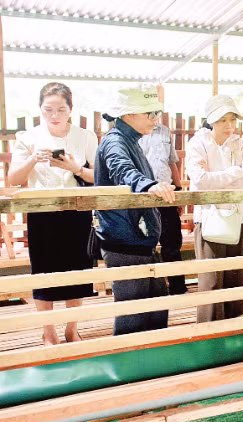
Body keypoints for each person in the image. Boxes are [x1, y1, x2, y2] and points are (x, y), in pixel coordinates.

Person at [7, 82, 97, 346]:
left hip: (77, 210)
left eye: (61, 109)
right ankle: (48, 332)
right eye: (48, 109)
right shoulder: (28, 137)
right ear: (40, 109)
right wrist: (33, 158)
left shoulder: (85, 136)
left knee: (78, 272)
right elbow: (13, 179)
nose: (54, 115)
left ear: (71, 109)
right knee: (44, 274)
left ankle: (72, 328)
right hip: (41, 212)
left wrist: (75, 167)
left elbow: (99, 177)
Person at [94, 84, 176, 336]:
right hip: (124, 241)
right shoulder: (115, 142)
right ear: (127, 115)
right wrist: (148, 184)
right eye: (149, 113)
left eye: (156, 113)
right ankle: (128, 369)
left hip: (138, 238)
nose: (155, 119)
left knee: (155, 306)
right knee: (133, 313)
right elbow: (122, 170)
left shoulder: (132, 140)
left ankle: (150, 368)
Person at [185, 95, 243, 322]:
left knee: (238, 278)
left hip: (241, 217)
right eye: (222, 120)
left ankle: (235, 336)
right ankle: (209, 339)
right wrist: (234, 173)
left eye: (232, 119)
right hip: (209, 219)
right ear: (211, 121)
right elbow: (200, 180)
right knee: (211, 282)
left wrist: (216, 178)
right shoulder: (198, 143)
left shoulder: (240, 143)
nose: (229, 125)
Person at [138, 109, 188, 295]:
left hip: (168, 194)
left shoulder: (165, 131)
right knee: (145, 246)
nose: (154, 116)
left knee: (172, 243)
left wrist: (179, 190)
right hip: (144, 196)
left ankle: (178, 289)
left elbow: (172, 162)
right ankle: (150, 291)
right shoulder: (135, 133)